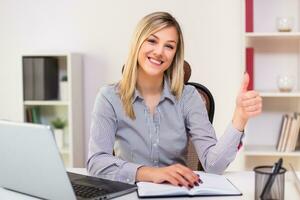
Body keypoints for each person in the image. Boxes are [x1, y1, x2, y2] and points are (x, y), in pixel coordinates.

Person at [87, 11, 262, 189]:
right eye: (152, 41)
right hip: (130, 192)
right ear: (137, 43)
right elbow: (97, 162)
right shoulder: (109, 97)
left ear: (175, 55)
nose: (159, 52)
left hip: (176, 193)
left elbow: (213, 165)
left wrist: (240, 117)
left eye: (169, 46)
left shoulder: (189, 97)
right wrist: (151, 174)